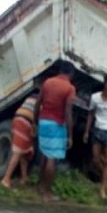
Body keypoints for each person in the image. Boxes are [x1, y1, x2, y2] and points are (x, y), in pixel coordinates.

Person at [34, 61, 76, 203]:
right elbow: (68, 112)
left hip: (43, 121)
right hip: (57, 124)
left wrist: (35, 121)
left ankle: (40, 186)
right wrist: (70, 135)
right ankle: (46, 193)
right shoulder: (69, 88)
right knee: (52, 159)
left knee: (45, 155)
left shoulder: (47, 82)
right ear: (71, 74)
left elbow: (38, 103)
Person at [0, 91, 39, 189]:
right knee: (18, 152)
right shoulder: (42, 101)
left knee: (25, 151)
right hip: (24, 122)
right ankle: (6, 179)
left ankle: (24, 177)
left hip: (18, 120)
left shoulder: (33, 96)